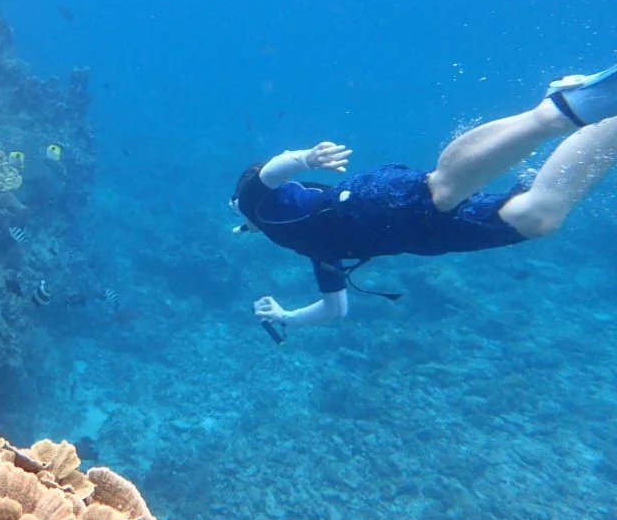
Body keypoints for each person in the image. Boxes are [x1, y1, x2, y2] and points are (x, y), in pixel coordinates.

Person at [231, 64, 617, 332]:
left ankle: (559, 110)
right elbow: (335, 310)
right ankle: (609, 124)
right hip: (415, 238)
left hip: (366, 203)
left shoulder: (253, 202)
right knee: (538, 219)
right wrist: (285, 316)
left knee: (443, 189)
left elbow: (269, 172)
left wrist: (305, 158)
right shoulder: (317, 250)